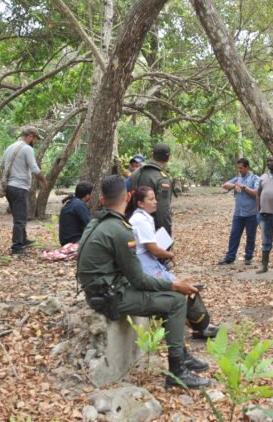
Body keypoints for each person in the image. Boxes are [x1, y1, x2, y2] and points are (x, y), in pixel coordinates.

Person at [76, 175, 210, 388]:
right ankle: (177, 371)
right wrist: (175, 285)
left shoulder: (97, 222)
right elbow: (138, 279)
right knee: (175, 300)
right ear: (129, 197)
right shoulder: (121, 230)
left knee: (168, 295)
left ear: (102, 200)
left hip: (102, 290)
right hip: (109, 297)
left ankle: (181, 355)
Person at [128, 185, 219, 339]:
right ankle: (201, 326)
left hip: (149, 261)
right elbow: (153, 249)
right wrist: (169, 254)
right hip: (145, 263)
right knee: (181, 288)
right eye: (151, 199)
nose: (155, 202)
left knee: (181, 286)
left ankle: (200, 325)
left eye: (155, 198)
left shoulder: (144, 217)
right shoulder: (140, 220)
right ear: (140, 203)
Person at [0, 125, 48, 255]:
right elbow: (34, 169)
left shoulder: (10, 147)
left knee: (19, 215)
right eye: (36, 139)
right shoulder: (27, 149)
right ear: (30, 137)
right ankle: (17, 247)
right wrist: (44, 181)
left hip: (9, 187)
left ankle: (23, 239)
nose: (36, 142)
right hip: (19, 187)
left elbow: (2, 165)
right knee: (20, 219)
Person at [218, 158, 260, 266]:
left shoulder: (255, 179)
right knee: (234, 235)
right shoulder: (237, 178)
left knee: (250, 236)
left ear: (247, 167)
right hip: (238, 213)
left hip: (251, 213)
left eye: (241, 168)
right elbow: (225, 185)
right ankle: (230, 257)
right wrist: (235, 185)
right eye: (238, 168)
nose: (239, 170)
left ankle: (248, 257)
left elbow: (256, 193)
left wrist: (244, 187)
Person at [130, 144, 173, 236]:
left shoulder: (137, 172)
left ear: (152, 154)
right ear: (168, 157)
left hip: (133, 221)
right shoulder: (161, 178)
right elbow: (163, 209)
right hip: (152, 225)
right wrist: (167, 232)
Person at [59, 181, 94, 246]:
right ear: (87, 196)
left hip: (65, 240)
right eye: (91, 194)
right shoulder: (79, 205)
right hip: (73, 241)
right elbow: (89, 225)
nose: (91, 196)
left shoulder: (70, 201)